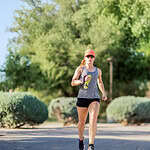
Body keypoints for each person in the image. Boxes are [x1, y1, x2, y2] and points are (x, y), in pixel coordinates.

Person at [71, 49, 107, 150]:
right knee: (81, 122)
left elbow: (100, 82)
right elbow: (73, 82)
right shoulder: (80, 69)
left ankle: (91, 145)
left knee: (93, 120)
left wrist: (103, 93)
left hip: (94, 98)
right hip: (82, 98)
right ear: (85, 58)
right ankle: (81, 139)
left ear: (94, 58)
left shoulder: (98, 70)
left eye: (91, 56)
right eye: (88, 56)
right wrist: (82, 80)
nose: (90, 58)